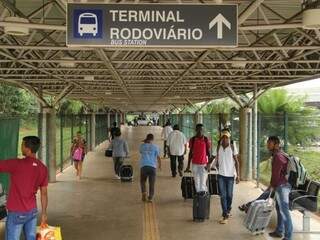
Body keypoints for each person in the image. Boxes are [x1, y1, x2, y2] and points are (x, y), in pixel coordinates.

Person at [0, 136, 48, 240]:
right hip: (32, 212)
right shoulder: (43, 168)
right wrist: (44, 213)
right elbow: (44, 193)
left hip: (16, 212)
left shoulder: (16, 164)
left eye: (22, 145)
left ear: (27, 148)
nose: (21, 147)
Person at [210, 130, 240, 224]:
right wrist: (208, 165)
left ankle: (228, 209)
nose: (225, 139)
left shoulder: (232, 147)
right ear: (221, 138)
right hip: (221, 175)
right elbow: (213, 157)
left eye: (227, 137)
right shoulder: (218, 147)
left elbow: (237, 162)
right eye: (223, 137)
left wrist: (238, 175)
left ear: (229, 138)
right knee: (223, 195)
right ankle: (225, 215)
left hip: (230, 175)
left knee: (229, 195)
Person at [267, 136, 293, 240]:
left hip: (283, 186)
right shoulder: (279, 154)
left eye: (270, 143)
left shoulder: (278, 156)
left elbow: (276, 174)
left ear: (276, 145)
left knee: (284, 210)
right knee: (279, 209)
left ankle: (288, 237)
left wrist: (272, 185)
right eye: (268, 143)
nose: (268, 145)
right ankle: (279, 231)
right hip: (281, 185)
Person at [185, 123, 211, 193]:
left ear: (203, 130)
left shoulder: (206, 139)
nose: (200, 131)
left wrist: (209, 164)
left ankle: (203, 197)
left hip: (204, 164)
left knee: (203, 182)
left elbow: (208, 153)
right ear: (196, 130)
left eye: (201, 129)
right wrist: (188, 166)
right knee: (196, 182)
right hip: (195, 164)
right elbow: (190, 153)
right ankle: (199, 197)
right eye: (198, 129)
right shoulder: (192, 140)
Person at [139, 134, 161, 202]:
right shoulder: (155, 147)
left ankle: (144, 193)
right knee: (152, 183)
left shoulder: (142, 146)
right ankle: (150, 197)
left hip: (144, 166)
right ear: (152, 139)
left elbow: (141, 152)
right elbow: (158, 157)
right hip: (152, 167)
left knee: (143, 181)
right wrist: (160, 165)